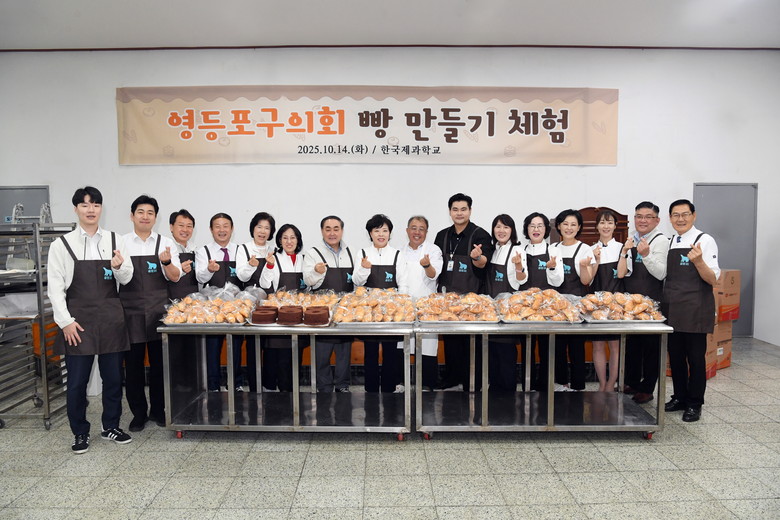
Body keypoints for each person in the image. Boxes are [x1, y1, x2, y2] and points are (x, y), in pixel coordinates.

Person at [48, 186, 134, 453]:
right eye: (85, 205)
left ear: (101, 208)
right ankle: (80, 432)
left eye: (95, 204)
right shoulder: (62, 245)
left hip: (110, 319)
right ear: (76, 209)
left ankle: (111, 426)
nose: (91, 210)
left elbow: (127, 278)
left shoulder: (114, 240)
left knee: (113, 378)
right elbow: (55, 288)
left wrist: (118, 267)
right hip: (78, 322)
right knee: (77, 382)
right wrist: (65, 322)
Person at [120, 195, 182, 431]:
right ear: (132, 216)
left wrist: (167, 263)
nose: (145, 217)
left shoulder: (165, 243)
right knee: (133, 367)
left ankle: (159, 410)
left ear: (156, 217)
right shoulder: (122, 243)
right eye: (141, 212)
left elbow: (175, 277)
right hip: (130, 313)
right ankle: (138, 414)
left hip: (158, 313)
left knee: (160, 366)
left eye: (150, 213)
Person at [663, 199, 719, 422]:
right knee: (676, 357)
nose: (680, 219)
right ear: (670, 219)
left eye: (685, 214)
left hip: (695, 308)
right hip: (673, 308)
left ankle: (695, 403)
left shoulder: (704, 240)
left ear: (694, 216)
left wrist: (699, 262)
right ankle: (680, 397)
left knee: (695, 359)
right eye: (676, 215)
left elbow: (713, 279)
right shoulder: (671, 241)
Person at [433, 193, 493, 391]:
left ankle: (472, 382)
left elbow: (484, 263)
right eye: (455, 209)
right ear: (450, 212)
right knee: (451, 342)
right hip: (448, 298)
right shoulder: (442, 236)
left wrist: (477, 257)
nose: (459, 213)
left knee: (471, 343)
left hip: (471, 298)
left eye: (463, 209)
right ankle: (452, 378)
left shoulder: (480, 235)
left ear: (470, 211)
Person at [617, 202, 669, 405]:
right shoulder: (632, 238)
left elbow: (661, 273)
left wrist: (646, 254)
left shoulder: (660, 241)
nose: (643, 220)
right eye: (639, 216)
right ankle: (631, 382)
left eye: (648, 217)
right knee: (633, 345)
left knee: (651, 347)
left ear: (657, 220)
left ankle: (647, 388)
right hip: (632, 302)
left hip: (651, 303)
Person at [352, 214, 410, 393]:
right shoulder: (363, 253)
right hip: (369, 311)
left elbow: (403, 283)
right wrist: (364, 269)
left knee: (390, 351)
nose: (381, 234)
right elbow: (356, 282)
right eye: (377, 231)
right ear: (370, 233)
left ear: (390, 233)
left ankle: (388, 389)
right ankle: (370, 389)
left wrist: (401, 306)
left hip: (391, 311)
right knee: (370, 351)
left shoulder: (397, 254)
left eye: (385, 230)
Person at [302, 216, 355, 392]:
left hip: (345, 313)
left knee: (344, 354)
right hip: (321, 313)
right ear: (322, 231)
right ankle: (323, 388)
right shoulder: (313, 253)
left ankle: (343, 386)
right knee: (321, 354)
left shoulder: (351, 252)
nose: (332, 233)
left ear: (342, 231)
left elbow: (356, 281)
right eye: (328, 229)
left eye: (336, 229)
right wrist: (317, 272)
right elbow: (308, 281)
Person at [195, 213, 242, 392]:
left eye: (225, 226)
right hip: (212, 309)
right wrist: (209, 269)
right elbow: (200, 278)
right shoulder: (204, 251)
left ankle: (235, 384)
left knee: (235, 347)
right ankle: (213, 386)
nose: (222, 230)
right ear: (211, 229)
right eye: (217, 226)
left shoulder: (240, 250)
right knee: (212, 347)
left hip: (236, 309)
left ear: (232, 228)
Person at [550, 209, 595, 391]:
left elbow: (586, 280)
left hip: (577, 306)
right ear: (559, 226)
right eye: (565, 224)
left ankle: (578, 387)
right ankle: (561, 383)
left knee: (576, 347)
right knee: (558, 347)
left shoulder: (585, 249)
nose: (569, 228)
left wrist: (584, 266)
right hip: (556, 306)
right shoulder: (553, 248)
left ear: (579, 227)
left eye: (573, 224)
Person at [259, 223, 307, 391]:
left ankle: (290, 393)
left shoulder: (303, 259)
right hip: (278, 318)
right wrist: (269, 265)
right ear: (279, 240)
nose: (289, 241)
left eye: (293, 237)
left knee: (294, 358)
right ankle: (271, 393)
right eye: (285, 238)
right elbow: (264, 284)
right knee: (275, 357)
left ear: (298, 240)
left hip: (298, 318)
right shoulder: (274, 258)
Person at [399, 215, 443, 391]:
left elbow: (434, 274)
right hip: (404, 306)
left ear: (426, 232)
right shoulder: (400, 251)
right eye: (414, 228)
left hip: (427, 305)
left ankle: (427, 384)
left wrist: (426, 265)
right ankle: (402, 382)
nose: (417, 232)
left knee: (427, 346)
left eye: (421, 229)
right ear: (407, 230)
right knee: (403, 345)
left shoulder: (433, 250)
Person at [485, 214, 527, 391]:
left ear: (512, 231)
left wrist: (518, 266)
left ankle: (508, 395)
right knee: (492, 353)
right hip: (491, 311)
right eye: (498, 227)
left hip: (508, 311)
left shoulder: (517, 250)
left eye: (506, 227)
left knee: (506, 354)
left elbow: (522, 280)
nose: (501, 231)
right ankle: (494, 392)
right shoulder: (493, 250)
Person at [522, 212, 563, 391]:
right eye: (532, 225)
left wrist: (552, 268)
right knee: (527, 347)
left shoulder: (553, 251)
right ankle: (528, 385)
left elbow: (558, 282)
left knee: (547, 348)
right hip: (526, 308)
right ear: (526, 229)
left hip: (547, 307)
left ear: (546, 229)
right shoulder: (520, 251)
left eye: (540, 226)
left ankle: (546, 386)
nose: (536, 229)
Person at [236, 212, 275, 392]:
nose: (262, 231)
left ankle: (269, 385)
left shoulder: (274, 250)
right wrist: (251, 265)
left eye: (267, 228)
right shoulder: (243, 249)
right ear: (253, 228)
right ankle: (254, 387)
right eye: (259, 227)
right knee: (253, 346)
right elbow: (241, 276)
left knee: (270, 345)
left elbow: (272, 280)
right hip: (250, 305)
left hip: (269, 303)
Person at [589, 209, 625, 392]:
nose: (606, 226)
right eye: (602, 222)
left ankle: (611, 383)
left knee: (615, 345)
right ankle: (602, 383)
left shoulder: (622, 248)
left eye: (610, 222)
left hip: (616, 302)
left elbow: (623, 274)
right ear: (597, 226)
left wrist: (624, 253)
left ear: (615, 226)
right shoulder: (590, 249)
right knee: (597, 345)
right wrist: (595, 260)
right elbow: (588, 279)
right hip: (596, 303)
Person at [167, 209, 199, 396]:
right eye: (181, 225)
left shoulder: (195, 249)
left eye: (189, 226)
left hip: (194, 309)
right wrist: (178, 269)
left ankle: (194, 392)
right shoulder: (167, 249)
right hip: (173, 307)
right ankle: (176, 394)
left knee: (192, 351)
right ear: (171, 227)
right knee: (175, 352)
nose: (185, 230)